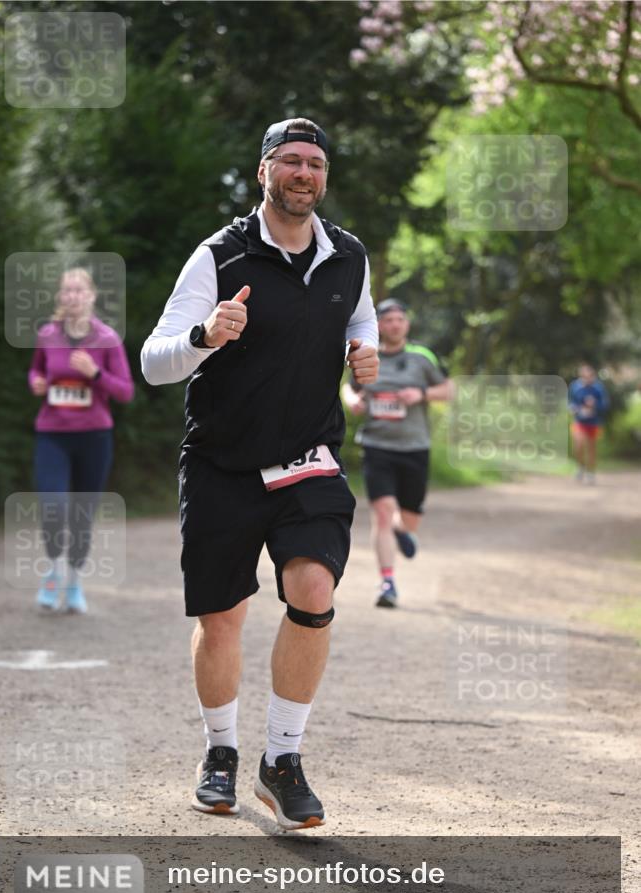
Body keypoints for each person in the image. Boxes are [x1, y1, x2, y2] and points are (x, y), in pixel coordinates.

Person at [141, 118, 378, 830]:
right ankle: (220, 753)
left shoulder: (348, 256)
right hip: (222, 463)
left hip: (307, 460)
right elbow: (153, 361)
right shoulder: (220, 255)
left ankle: (282, 761)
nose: (304, 173)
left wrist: (362, 359)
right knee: (223, 619)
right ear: (264, 171)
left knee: (312, 589)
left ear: (324, 177)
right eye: (290, 161)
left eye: (315, 164)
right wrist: (204, 336)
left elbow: (358, 323)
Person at [28, 267, 134, 613]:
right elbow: (36, 370)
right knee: (53, 506)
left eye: (78, 290)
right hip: (53, 434)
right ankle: (53, 573)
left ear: (91, 296)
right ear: (61, 298)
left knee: (82, 515)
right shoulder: (47, 334)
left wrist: (95, 373)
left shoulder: (107, 339)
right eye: (66, 290)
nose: (72, 296)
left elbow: (126, 391)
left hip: (94, 436)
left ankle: (73, 583)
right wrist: (37, 383)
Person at [342, 298, 453, 608]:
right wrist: (352, 399)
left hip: (415, 447)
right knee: (382, 511)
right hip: (377, 445)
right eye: (388, 320)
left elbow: (449, 390)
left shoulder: (422, 358)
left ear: (407, 324)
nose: (394, 325)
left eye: (399, 320)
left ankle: (402, 529)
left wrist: (422, 394)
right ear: (378, 325)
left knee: (408, 520)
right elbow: (349, 386)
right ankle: (387, 582)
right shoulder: (368, 353)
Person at [568, 363, 609, 484]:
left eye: (590, 376)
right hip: (579, 421)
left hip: (594, 423)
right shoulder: (575, 387)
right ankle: (581, 467)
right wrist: (573, 408)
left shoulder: (598, 388)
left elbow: (605, 405)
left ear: (593, 376)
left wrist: (595, 404)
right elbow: (570, 402)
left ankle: (591, 472)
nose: (587, 379)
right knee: (578, 446)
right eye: (584, 376)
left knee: (591, 449)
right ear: (581, 376)